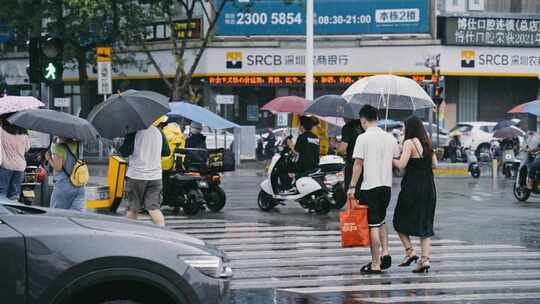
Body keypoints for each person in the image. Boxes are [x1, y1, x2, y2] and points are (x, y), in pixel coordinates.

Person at [348, 105, 397, 274]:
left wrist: (352, 186)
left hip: (371, 187)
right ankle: (385, 252)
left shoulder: (363, 138)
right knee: (381, 220)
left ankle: (375, 264)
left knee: (373, 226)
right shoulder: (390, 138)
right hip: (386, 187)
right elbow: (394, 160)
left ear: (363, 120)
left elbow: (358, 164)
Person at [392, 116, 438, 274]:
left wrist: (391, 158)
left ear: (410, 128)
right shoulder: (428, 142)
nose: (404, 130)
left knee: (398, 220)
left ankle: (410, 251)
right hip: (429, 188)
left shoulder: (409, 143)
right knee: (425, 225)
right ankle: (424, 260)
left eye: (405, 127)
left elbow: (401, 165)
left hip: (412, 188)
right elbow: (435, 165)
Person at [119, 119, 170, 226]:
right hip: (155, 177)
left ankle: (131, 234)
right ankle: (162, 231)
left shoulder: (134, 132)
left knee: (133, 208)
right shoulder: (159, 132)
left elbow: (124, 152)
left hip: (136, 176)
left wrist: (119, 144)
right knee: (154, 208)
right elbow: (166, 152)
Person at [278, 115, 320, 194]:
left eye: (299, 124)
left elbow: (296, 151)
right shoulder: (315, 137)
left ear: (302, 126)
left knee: (281, 166)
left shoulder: (302, 137)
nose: (298, 126)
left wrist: (289, 144)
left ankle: (287, 188)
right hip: (315, 164)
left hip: (303, 165)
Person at [45, 137, 85, 211]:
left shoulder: (59, 147)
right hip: (80, 185)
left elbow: (58, 167)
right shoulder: (79, 145)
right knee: (77, 217)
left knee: (57, 215)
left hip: (64, 186)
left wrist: (49, 158)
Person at [0, 120, 30, 200]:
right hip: (20, 167)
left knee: (2, 192)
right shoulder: (25, 135)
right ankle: (13, 211)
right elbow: (27, 148)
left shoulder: (2, 131)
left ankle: (3, 212)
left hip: (6, 166)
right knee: (15, 194)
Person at [338, 118, 364, 195]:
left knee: (351, 193)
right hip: (367, 166)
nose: (343, 118)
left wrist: (336, 146)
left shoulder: (348, 127)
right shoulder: (365, 127)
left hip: (353, 164)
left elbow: (342, 149)